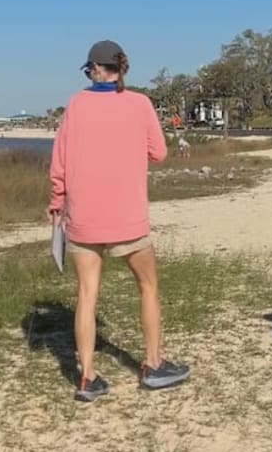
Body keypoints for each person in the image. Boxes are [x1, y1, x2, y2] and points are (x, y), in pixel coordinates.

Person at [48, 39, 190, 402]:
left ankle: (87, 377)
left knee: (86, 296)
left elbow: (59, 161)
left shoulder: (77, 104)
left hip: (84, 217)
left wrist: (57, 200)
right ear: (121, 68)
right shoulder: (140, 103)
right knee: (148, 286)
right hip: (128, 217)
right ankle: (154, 364)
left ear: (94, 69)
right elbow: (158, 152)